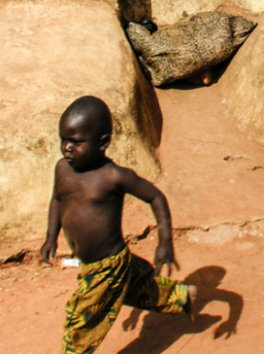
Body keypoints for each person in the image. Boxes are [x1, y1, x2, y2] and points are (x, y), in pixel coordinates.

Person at [40, 96, 196, 353]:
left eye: (76, 142)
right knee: (139, 289)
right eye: (63, 139)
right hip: (93, 263)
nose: (66, 148)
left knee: (80, 323)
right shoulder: (62, 170)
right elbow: (57, 200)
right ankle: (183, 297)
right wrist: (50, 237)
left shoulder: (113, 177)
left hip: (107, 265)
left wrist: (165, 242)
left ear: (103, 143)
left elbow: (155, 196)